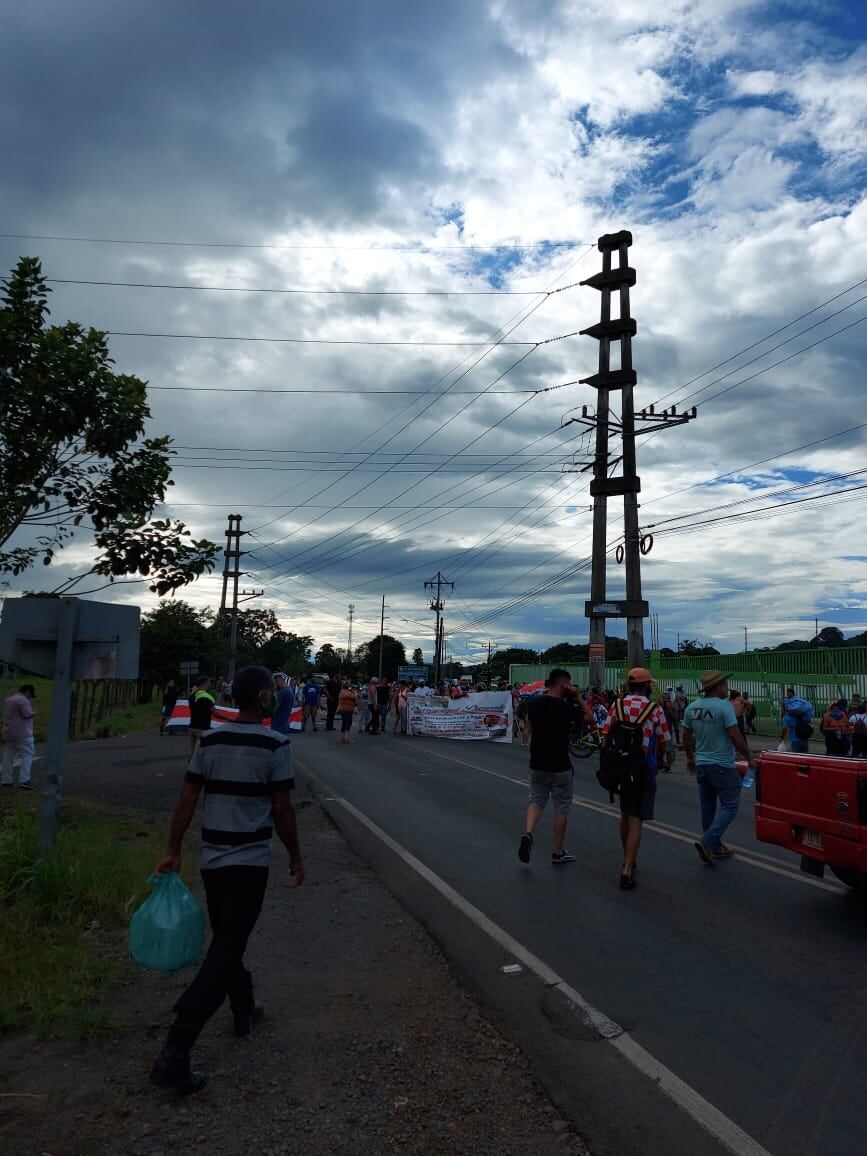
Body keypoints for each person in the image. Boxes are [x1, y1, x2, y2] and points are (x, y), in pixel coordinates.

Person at [149, 665, 303, 1094]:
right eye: (272, 692)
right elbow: (283, 808)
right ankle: (177, 1047)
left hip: (213, 861)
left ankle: (243, 1006)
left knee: (227, 939)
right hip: (250, 862)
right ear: (261, 699)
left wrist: (173, 848)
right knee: (228, 945)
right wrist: (295, 856)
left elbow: (187, 797)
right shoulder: (276, 744)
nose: (275, 697)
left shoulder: (212, 741)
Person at [517, 669, 594, 866]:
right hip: (560, 765)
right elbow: (590, 718)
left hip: (537, 763)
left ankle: (528, 833)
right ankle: (558, 852)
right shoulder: (565, 707)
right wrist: (577, 697)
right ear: (563, 685)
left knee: (535, 801)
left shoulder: (533, 703)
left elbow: (531, 725)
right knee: (561, 808)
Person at [601, 668, 670, 889]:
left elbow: (605, 734)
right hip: (643, 770)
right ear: (647, 685)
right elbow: (663, 740)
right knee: (636, 820)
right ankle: (627, 870)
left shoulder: (617, 705)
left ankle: (627, 858)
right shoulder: (654, 709)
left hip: (621, 770)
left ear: (629, 686)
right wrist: (658, 762)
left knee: (625, 814)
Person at [682, 669, 757, 865]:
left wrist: (690, 757)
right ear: (717, 687)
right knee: (730, 806)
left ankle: (715, 847)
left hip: (702, 764)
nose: (727, 687)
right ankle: (708, 841)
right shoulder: (724, 708)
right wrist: (749, 756)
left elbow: (686, 736)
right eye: (724, 684)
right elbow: (735, 736)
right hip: (722, 764)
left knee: (708, 807)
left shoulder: (692, 708)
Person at [2, 684, 37, 790]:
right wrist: (34, 713)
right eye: (31, 695)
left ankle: (6, 781)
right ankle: (24, 780)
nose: (30, 697)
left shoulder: (9, 699)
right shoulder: (22, 700)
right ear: (28, 691)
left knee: (8, 758)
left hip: (9, 732)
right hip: (23, 733)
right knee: (28, 755)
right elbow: (26, 714)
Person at [781, 688, 815, 754]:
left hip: (795, 741)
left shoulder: (787, 718)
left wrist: (782, 738)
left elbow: (784, 729)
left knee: (797, 757)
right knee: (805, 756)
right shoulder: (804, 716)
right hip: (804, 739)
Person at [188, 677, 215, 758]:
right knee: (202, 752)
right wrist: (228, 718)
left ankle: (190, 768)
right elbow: (215, 712)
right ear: (204, 684)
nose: (209, 685)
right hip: (202, 728)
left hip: (192, 726)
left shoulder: (192, 696)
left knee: (192, 751)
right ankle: (199, 769)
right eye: (209, 683)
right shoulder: (206, 697)